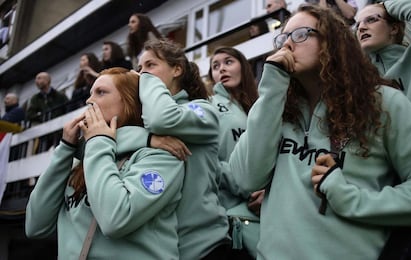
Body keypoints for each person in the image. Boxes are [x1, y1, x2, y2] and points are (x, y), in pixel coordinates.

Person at [223, 4, 411, 259]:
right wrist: (270, 92)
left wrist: (350, 200)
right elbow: (246, 179)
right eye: (283, 38)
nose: (287, 45)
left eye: (300, 34)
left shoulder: (384, 103)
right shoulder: (276, 106)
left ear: (332, 42)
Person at [25, 67, 185, 259]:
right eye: (91, 92)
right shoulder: (85, 158)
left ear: (129, 101)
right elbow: (35, 226)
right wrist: (66, 148)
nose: (89, 100)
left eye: (101, 92)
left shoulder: (161, 156)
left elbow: (115, 220)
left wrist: (99, 140)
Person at [137, 39, 230, 260]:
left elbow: (162, 119)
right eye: (139, 69)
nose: (142, 74)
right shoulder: (141, 124)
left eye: (150, 65)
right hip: (159, 251)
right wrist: (147, 139)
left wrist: (148, 82)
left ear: (177, 69)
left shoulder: (202, 109)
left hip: (206, 248)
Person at [208, 46, 260, 259]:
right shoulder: (209, 105)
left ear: (243, 67)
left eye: (228, 62)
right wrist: (247, 187)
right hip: (229, 217)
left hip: (266, 209)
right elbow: (208, 159)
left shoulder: (259, 105)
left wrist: (270, 190)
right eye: (215, 66)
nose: (222, 69)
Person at [355, 0, 411, 104]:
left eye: (371, 20)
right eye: (357, 25)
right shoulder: (357, 77)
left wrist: (385, 5)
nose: (361, 28)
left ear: (394, 28)